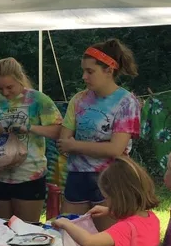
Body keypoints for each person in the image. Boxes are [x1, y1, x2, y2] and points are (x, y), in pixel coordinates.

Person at [0, 57, 63, 223]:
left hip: (29, 176)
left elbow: (58, 130)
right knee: (1, 228)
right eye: (0, 88)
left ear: (20, 79)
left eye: (9, 87)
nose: (5, 92)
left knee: (27, 229)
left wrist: (29, 128)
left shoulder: (38, 100)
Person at [58, 39, 140, 223]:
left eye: (90, 71)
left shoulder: (126, 102)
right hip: (77, 177)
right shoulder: (78, 100)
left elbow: (115, 149)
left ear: (109, 71)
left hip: (110, 178)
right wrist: (77, 146)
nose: (84, 77)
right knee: (70, 241)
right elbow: (64, 143)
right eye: (83, 71)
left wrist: (75, 145)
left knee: (107, 243)